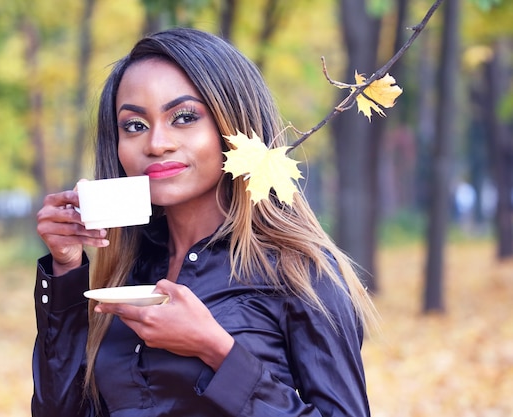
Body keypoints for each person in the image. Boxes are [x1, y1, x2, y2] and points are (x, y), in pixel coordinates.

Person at [32, 27, 377, 417]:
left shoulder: (300, 273)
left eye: (183, 117)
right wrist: (65, 270)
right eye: (134, 125)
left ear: (234, 127)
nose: (156, 143)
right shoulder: (125, 277)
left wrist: (216, 351)